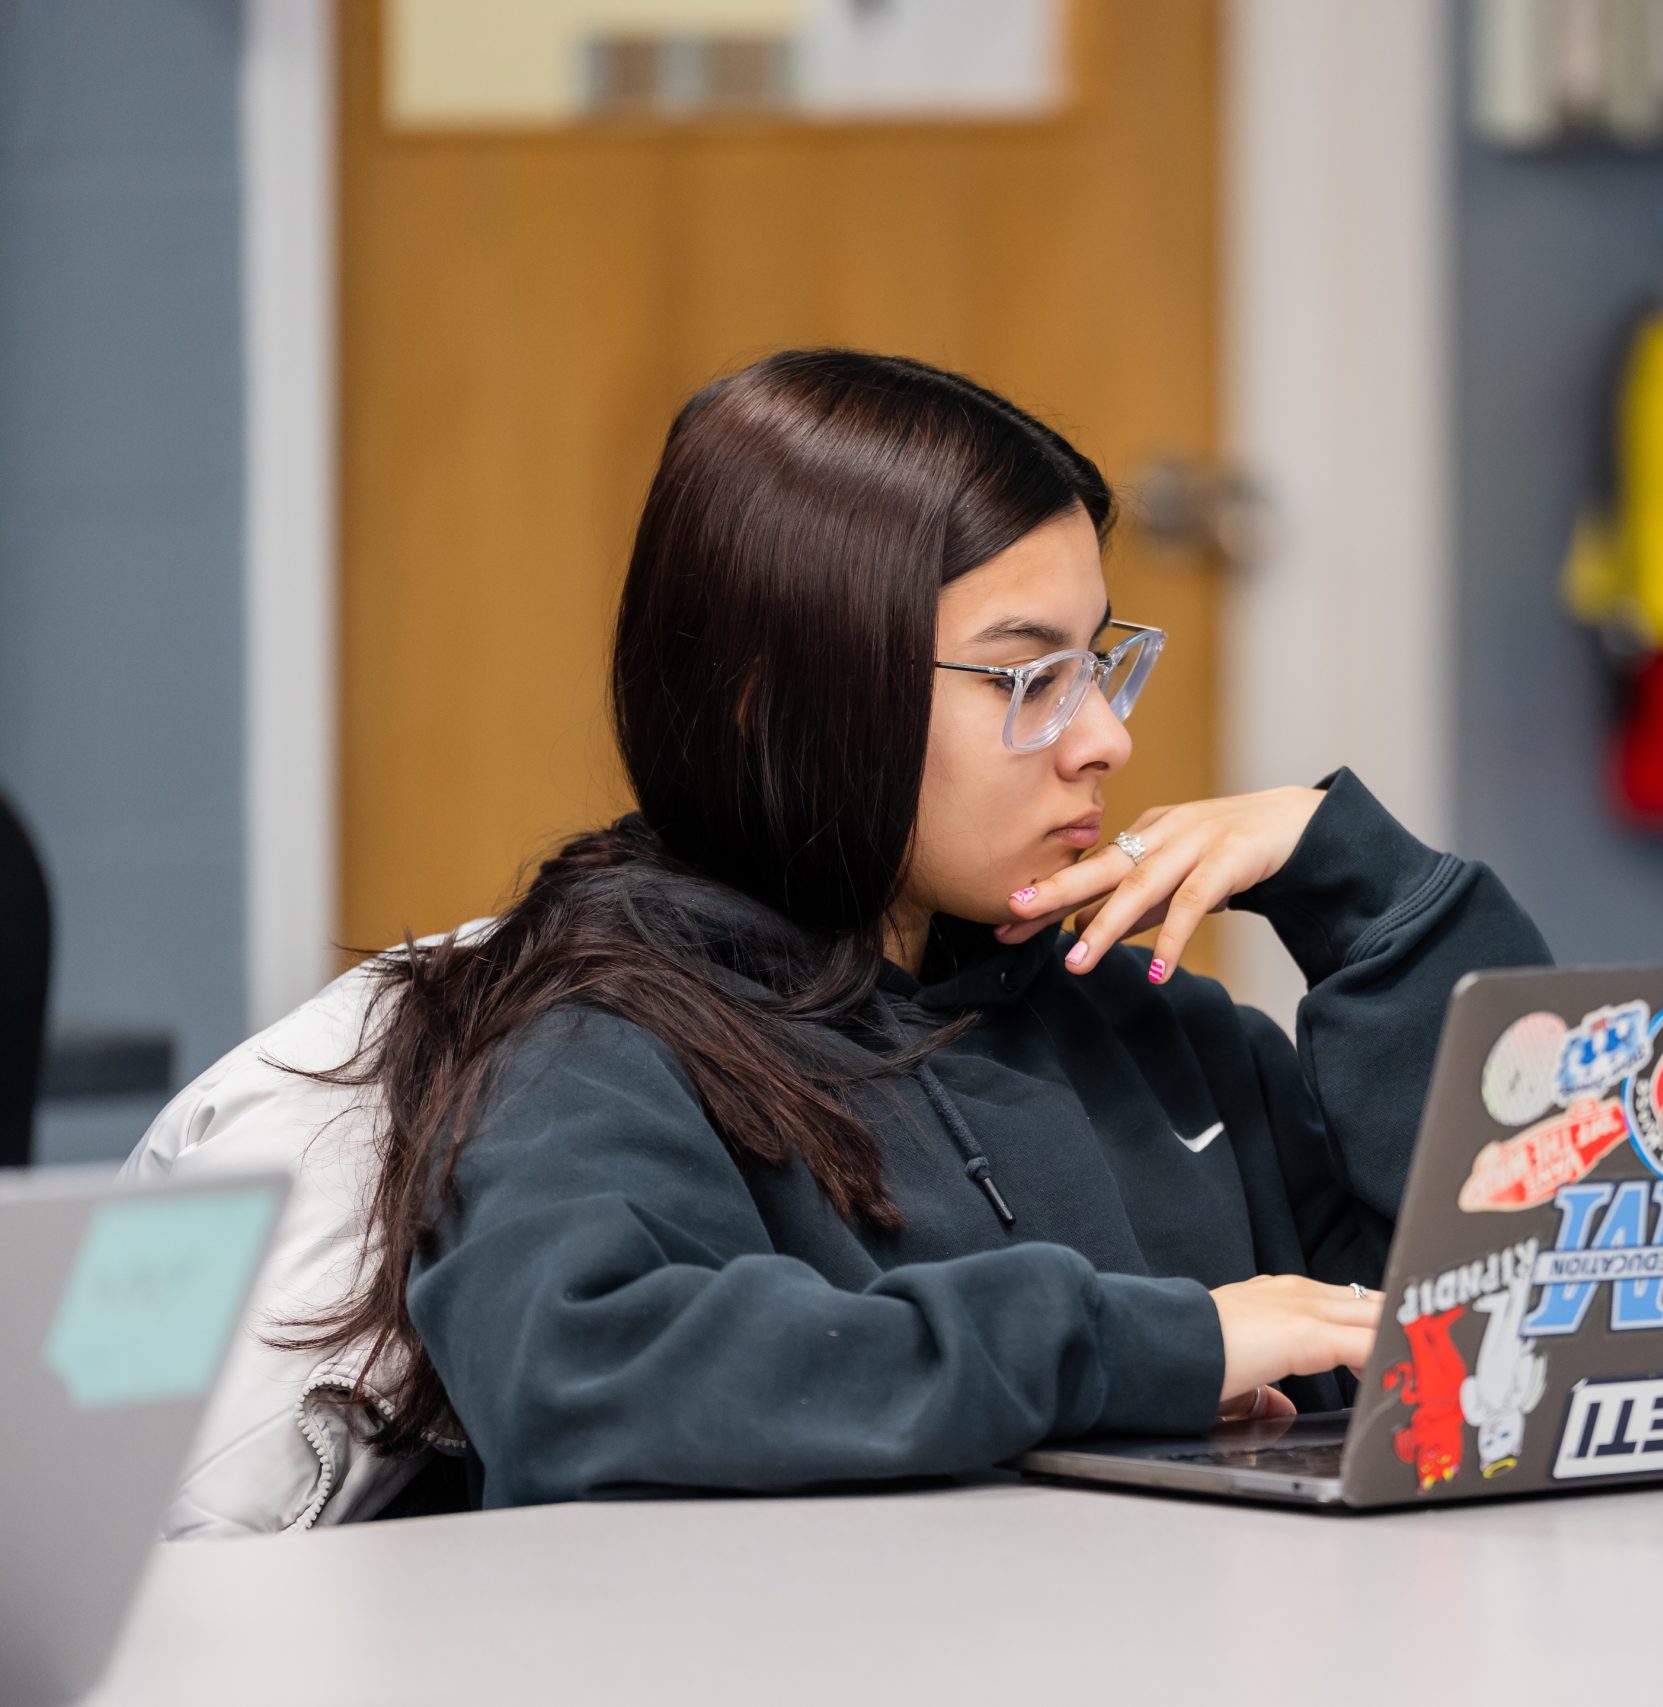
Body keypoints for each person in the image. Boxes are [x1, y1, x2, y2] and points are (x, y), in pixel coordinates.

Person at [300, 349, 1552, 1510]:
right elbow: (585, 1379)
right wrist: (1159, 1344)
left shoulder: (1152, 1026)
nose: (1104, 738)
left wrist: (1368, 894)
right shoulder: (608, 1041)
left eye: (1099, 662)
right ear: (771, 706)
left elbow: (1530, 1308)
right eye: (1025, 677)